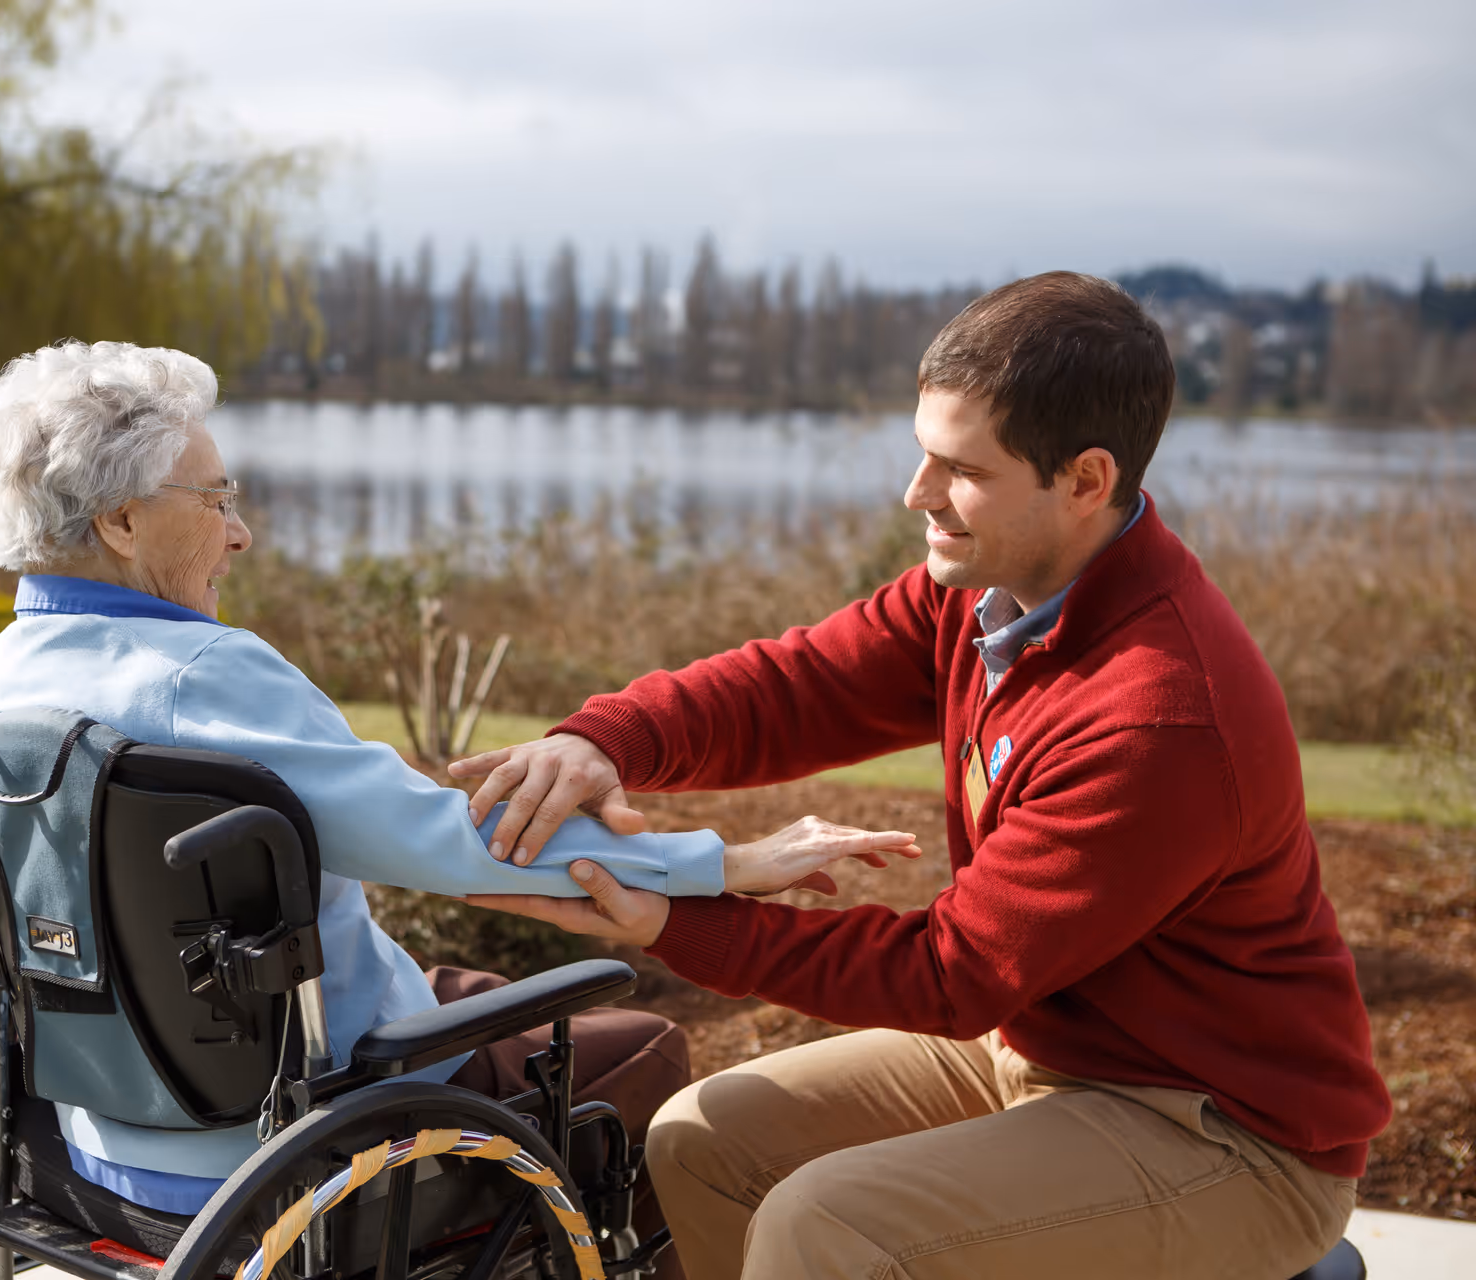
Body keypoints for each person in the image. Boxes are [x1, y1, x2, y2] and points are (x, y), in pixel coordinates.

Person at [452, 273, 1391, 1280]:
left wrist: (674, 923)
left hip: (1226, 1133)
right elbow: (798, 685)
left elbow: (951, 972)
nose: (917, 492)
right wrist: (606, 739)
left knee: (832, 1223)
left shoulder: (1156, 715)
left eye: (960, 467)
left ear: (1083, 480)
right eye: (922, 451)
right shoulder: (993, 593)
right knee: (703, 1137)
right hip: (1046, 1053)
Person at [0, 339, 921, 1232]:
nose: (240, 533)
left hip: (101, 1133)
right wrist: (727, 861)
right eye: (215, 501)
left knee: (491, 996)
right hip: (288, 1131)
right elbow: (451, 842)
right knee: (645, 1047)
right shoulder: (197, 673)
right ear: (123, 522)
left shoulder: (3, 689)